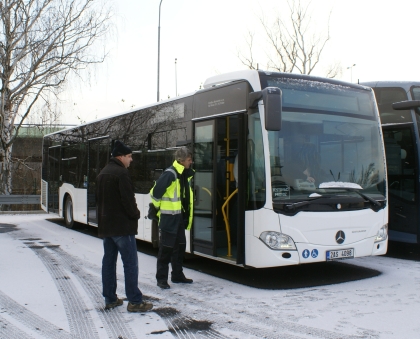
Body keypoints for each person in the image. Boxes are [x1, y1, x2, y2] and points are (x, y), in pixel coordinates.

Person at [96, 140, 153, 312]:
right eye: (129, 157)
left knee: (109, 262)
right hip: (122, 227)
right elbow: (128, 200)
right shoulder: (121, 174)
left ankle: (110, 298)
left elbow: (99, 201)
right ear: (120, 157)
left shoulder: (102, 173)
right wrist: (135, 215)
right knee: (130, 264)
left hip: (107, 228)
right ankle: (135, 301)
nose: (131, 160)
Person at [150, 146, 194, 289]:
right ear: (181, 160)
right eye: (189, 160)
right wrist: (156, 209)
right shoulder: (171, 174)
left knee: (180, 247)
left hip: (178, 218)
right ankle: (161, 279)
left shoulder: (182, 174)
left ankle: (177, 275)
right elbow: (156, 193)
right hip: (169, 219)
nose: (191, 162)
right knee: (166, 250)